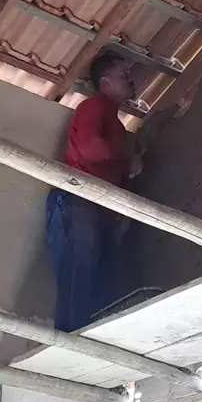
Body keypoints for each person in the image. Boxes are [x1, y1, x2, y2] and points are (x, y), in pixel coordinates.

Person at [45, 53, 141, 332]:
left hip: (99, 209)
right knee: (79, 272)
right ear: (105, 82)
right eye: (124, 75)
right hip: (78, 199)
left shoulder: (119, 128)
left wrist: (120, 214)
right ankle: (69, 342)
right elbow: (89, 148)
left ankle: (93, 339)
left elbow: (117, 174)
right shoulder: (93, 106)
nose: (132, 80)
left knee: (103, 283)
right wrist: (127, 162)